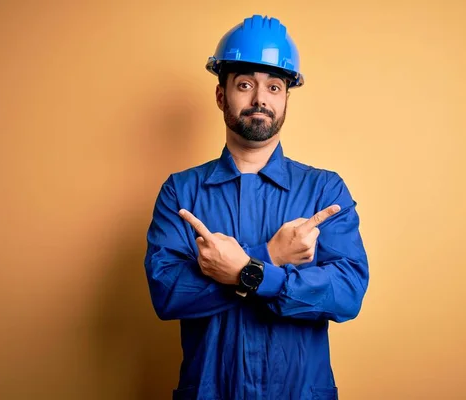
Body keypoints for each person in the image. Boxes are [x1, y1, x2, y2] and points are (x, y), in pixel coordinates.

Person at [144, 14, 369, 400]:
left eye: (274, 87)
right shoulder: (181, 192)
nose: (260, 99)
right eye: (245, 85)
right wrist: (270, 257)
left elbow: (347, 293)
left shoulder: (324, 190)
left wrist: (248, 272)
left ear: (285, 99)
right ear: (221, 96)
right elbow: (167, 294)